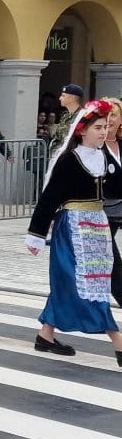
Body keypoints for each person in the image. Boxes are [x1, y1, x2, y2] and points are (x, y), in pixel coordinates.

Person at [25, 100, 122, 365]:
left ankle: (46, 335)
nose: (104, 132)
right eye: (98, 128)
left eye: (105, 127)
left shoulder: (104, 157)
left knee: (85, 281)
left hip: (98, 225)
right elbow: (49, 197)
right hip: (73, 227)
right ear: (82, 130)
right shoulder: (70, 158)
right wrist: (36, 233)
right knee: (82, 282)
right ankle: (118, 341)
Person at [104, 98, 122, 308]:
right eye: (105, 115)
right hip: (100, 213)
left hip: (119, 209)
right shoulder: (94, 147)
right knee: (112, 263)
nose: (109, 120)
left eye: (114, 115)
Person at [49, 84, 86, 155]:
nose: (60, 98)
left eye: (63, 96)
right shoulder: (65, 116)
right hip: (59, 157)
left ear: (71, 98)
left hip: (73, 157)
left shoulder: (83, 116)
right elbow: (57, 138)